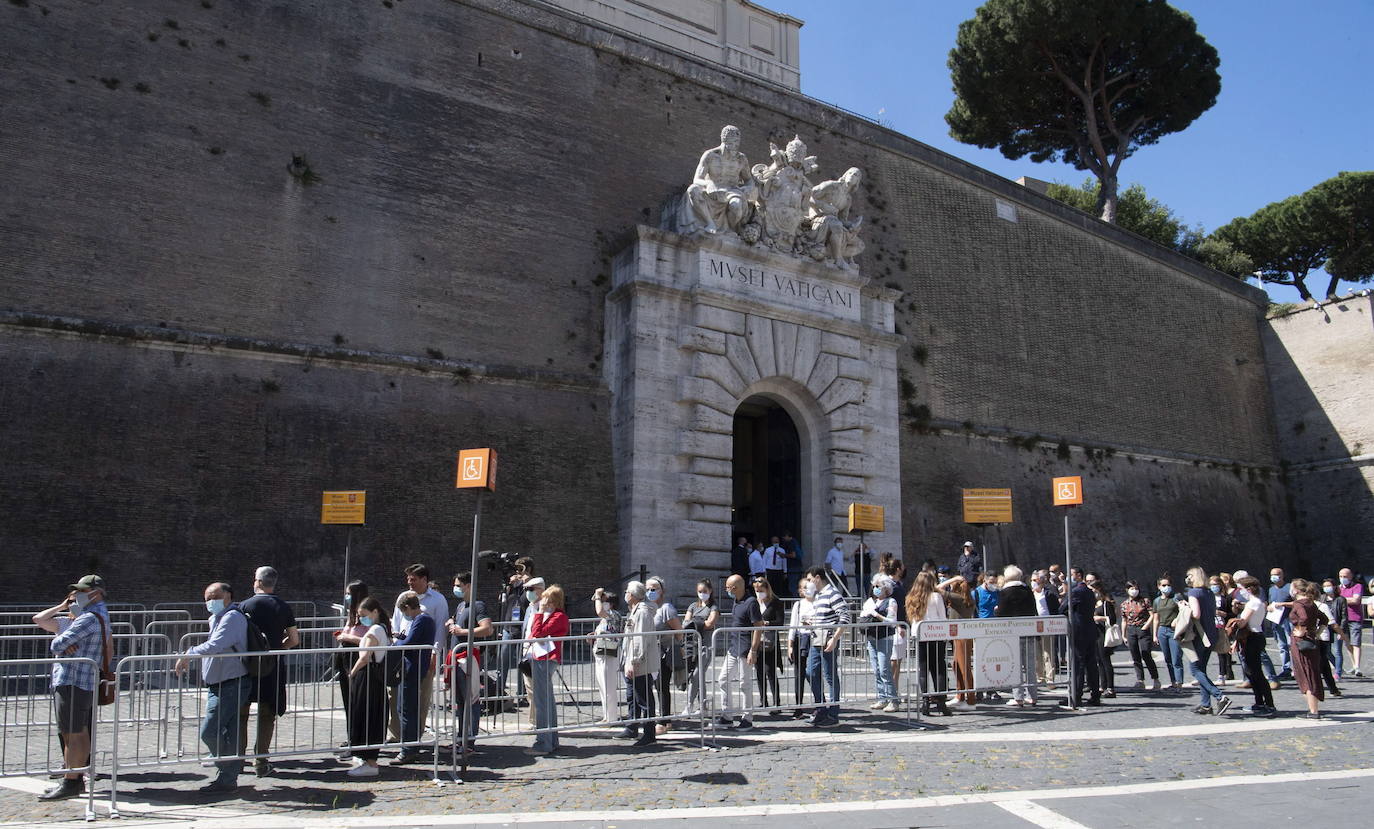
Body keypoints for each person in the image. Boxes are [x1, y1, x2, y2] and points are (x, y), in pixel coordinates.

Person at [33, 575, 110, 801]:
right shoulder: (96, 615)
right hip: (81, 680)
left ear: (96, 593)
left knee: (73, 733)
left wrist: (64, 640)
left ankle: (71, 781)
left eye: (82, 591)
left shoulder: (88, 618)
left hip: (74, 679)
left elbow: (57, 644)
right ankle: (74, 777)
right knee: (77, 732)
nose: (77, 596)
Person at [175, 582, 251, 793]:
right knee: (231, 732)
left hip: (231, 682)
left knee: (209, 731)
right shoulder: (216, 618)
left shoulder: (232, 617)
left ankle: (228, 769)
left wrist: (189, 653)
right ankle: (228, 778)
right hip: (221, 682)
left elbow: (216, 645)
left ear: (227, 596)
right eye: (207, 598)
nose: (210, 602)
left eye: (214, 597)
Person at [238, 566, 299, 778]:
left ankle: (238, 759)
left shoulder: (244, 605)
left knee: (241, 713)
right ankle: (261, 761)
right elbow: (294, 639)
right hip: (272, 666)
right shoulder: (282, 606)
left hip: (246, 665)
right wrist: (277, 649)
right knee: (267, 714)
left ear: (259, 582)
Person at [389, 564, 449, 742]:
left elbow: (441, 628)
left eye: (413, 579)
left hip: (423, 656)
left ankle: (414, 735)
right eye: (408, 579)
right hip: (401, 654)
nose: (410, 583)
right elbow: (396, 623)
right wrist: (395, 643)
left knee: (421, 697)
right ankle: (397, 733)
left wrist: (434, 653)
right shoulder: (403, 597)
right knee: (395, 695)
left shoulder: (438, 600)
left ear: (424, 580)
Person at [344, 597, 391, 778]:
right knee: (367, 715)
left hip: (368, 676)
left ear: (375, 612)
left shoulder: (375, 630)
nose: (361, 618)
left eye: (364, 615)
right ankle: (365, 757)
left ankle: (370, 760)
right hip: (372, 677)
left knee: (367, 715)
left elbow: (365, 657)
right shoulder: (381, 629)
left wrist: (352, 673)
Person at [445, 571, 492, 751]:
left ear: (469, 586)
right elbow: (457, 622)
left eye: (459, 585)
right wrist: (451, 623)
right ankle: (460, 737)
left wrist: (462, 632)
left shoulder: (478, 606)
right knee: (460, 700)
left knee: (470, 699)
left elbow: (487, 629)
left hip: (467, 657)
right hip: (456, 657)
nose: (456, 588)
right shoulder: (460, 606)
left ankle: (469, 739)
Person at [680, 124, 756, 236]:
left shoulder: (741, 159)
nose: (735, 146)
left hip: (732, 191)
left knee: (736, 205)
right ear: (724, 141)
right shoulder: (710, 156)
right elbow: (697, 179)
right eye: (732, 143)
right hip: (712, 191)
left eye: (737, 143)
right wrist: (708, 183)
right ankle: (710, 223)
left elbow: (749, 180)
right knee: (693, 190)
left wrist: (748, 188)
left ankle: (730, 230)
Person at [391, 591, 436, 764]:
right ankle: (411, 746)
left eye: (404, 612)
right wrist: (402, 638)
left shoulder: (421, 619)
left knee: (406, 709)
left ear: (409, 608)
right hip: (415, 667)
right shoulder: (424, 620)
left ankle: (408, 749)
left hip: (413, 668)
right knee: (407, 709)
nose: (405, 615)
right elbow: (411, 639)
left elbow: (409, 643)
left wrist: (397, 642)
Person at [1181, 567, 1233, 717]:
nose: (1187, 578)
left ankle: (1220, 696)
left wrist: (1185, 607)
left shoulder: (1193, 593)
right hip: (1211, 634)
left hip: (1198, 635)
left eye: (1189, 575)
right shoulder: (1209, 592)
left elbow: (1196, 614)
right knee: (1202, 669)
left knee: (1195, 670)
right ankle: (1205, 705)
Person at [526, 584, 569, 755]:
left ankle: (544, 742)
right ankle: (551, 740)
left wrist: (539, 613)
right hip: (542, 657)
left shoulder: (558, 616)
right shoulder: (554, 615)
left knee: (542, 702)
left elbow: (537, 632)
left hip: (546, 659)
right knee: (547, 701)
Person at [805, 566, 850, 726]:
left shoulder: (833, 593)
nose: (808, 583)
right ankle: (821, 707)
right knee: (810, 672)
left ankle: (833, 713)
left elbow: (845, 616)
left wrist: (835, 639)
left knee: (830, 676)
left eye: (810, 579)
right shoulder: (818, 596)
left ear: (818, 578)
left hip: (827, 640)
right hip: (816, 639)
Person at [716, 574, 761, 730]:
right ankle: (727, 715)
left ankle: (747, 718)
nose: (726, 590)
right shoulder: (736, 601)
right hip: (733, 648)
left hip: (745, 649)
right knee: (723, 679)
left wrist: (753, 650)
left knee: (745, 684)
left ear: (735, 587)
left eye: (728, 587)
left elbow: (758, 627)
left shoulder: (751, 602)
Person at [619, 581, 660, 747]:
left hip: (640, 663)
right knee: (633, 696)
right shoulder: (635, 611)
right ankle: (632, 727)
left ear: (633, 595)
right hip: (632, 661)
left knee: (644, 698)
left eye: (627, 591)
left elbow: (639, 640)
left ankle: (649, 733)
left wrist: (634, 662)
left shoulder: (642, 613)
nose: (625, 594)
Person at [907, 571, 950, 716]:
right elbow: (942, 617)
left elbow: (912, 619)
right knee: (939, 668)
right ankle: (941, 701)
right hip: (936, 634)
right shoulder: (936, 596)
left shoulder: (912, 597)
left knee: (923, 669)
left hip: (920, 635)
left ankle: (925, 700)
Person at [1230, 576, 1275, 716]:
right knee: (1251, 672)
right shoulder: (1256, 603)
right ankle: (1259, 702)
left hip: (1253, 638)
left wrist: (1233, 621)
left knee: (1256, 673)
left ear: (1248, 589)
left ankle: (1268, 704)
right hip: (1253, 636)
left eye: (1242, 589)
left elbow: (1243, 623)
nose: (1240, 592)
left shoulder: (1252, 603)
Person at [996, 565, 1038, 707]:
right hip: (1029, 631)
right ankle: (1032, 696)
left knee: (1015, 666)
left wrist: (997, 611)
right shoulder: (1028, 590)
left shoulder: (1005, 592)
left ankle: (1018, 697)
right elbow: (1033, 609)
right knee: (1030, 665)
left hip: (1012, 633)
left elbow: (1001, 613)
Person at [646, 576, 683, 734]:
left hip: (664, 652)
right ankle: (662, 718)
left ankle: (664, 719)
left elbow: (679, 631)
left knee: (662, 686)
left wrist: (679, 648)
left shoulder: (666, 608)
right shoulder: (647, 608)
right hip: (651, 652)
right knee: (655, 686)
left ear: (662, 591)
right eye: (647, 589)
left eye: (654, 589)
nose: (650, 592)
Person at [1286, 579, 1327, 719]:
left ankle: (1314, 711)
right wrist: (1316, 633)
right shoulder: (1311, 603)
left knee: (1305, 673)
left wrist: (1301, 630)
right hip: (1311, 640)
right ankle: (1313, 709)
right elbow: (1324, 619)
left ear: (1296, 590)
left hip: (1301, 642)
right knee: (1311, 672)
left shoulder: (1299, 604)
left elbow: (1303, 617)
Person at [859, 573, 899, 712]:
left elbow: (892, 622)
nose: (875, 588)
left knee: (884, 669)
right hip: (871, 638)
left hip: (884, 638)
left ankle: (893, 700)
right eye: (874, 586)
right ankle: (882, 698)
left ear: (886, 589)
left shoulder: (891, 602)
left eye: (879, 586)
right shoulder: (871, 601)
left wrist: (877, 615)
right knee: (876, 670)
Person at [1062, 571, 1100, 710]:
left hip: (1079, 631)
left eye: (1070, 574)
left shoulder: (1077, 591)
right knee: (1091, 664)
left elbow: (1063, 608)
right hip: (1090, 630)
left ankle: (1076, 696)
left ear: (1078, 576)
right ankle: (1095, 695)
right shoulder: (1089, 591)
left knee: (1078, 664)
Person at [681, 580, 718, 717]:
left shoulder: (713, 607)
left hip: (706, 645)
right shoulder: (693, 605)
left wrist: (694, 623)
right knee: (697, 676)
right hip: (692, 645)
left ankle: (689, 704)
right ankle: (703, 705)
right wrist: (697, 623)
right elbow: (685, 622)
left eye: (705, 591)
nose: (702, 594)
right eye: (700, 591)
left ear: (710, 591)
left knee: (697, 674)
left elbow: (710, 623)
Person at [333, 581, 370, 713]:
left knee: (357, 700)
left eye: (348, 594)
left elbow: (370, 641)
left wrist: (347, 637)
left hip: (358, 660)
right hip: (345, 659)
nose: (346, 597)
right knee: (348, 700)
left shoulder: (367, 615)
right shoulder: (352, 613)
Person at [941, 574, 976, 709]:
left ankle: (971, 700)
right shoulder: (966, 598)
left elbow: (936, 588)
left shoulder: (957, 598)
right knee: (957, 665)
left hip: (962, 636)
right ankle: (960, 696)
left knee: (964, 667)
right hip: (961, 635)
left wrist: (952, 579)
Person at [590, 586, 624, 724]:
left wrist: (598, 596)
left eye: (604, 601)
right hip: (601, 652)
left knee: (608, 686)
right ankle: (606, 716)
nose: (601, 602)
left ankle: (611, 717)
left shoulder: (614, 614)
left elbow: (599, 611)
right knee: (602, 685)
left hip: (609, 653)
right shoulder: (606, 618)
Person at [751, 576, 784, 714]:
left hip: (770, 642)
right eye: (756, 590)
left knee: (770, 671)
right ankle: (763, 700)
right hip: (757, 641)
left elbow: (780, 621)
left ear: (767, 589)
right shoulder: (754, 603)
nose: (759, 593)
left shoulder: (775, 602)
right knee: (759, 672)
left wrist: (767, 623)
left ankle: (777, 703)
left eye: (761, 590)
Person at [1119, 580, 1159, 691]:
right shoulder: (1124, 604)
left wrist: (1146, 626)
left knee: (1146, 654)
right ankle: (1140, 680)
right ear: (1127, 590)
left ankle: (1155, 678)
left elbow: (1152, 615)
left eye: (1136, 588)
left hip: (1142, 628)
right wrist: (1123, 635)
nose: (1134, 591)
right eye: (1131, 588)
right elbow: (1124, 620)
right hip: (1131, 630)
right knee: (1135, 656)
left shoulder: (1144, 601)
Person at [785, 578, 814, 719]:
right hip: (800, 639)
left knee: (812, 672)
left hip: (814, 638)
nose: (806, 589)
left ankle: (819, 702)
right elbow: (793, 625)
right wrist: (789, 645)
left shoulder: (818, 603)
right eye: (804, 587)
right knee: (799, 674)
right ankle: (798, 706)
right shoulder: (798, 604)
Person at [1150, 576, 1184, 692]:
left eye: (1168, 585)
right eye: (1163, 585)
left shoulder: (1176, 597)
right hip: (1162, 630)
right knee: (1168, 659)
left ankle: (1179, 683)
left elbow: (1184, 612)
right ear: (1159, 587)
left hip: (1174, 630)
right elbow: (1156, 618)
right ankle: (1173, 682)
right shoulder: (1157, 601)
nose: (1166, 587)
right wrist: (1154, 634)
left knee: (1176, 658)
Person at [1031, 571, 1062, 687]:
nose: (1033, 583)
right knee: (1036, 653)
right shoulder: (1030, 595)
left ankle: (1050, 679)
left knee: (1048, 653)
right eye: (1032, 580)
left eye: (1035, 580)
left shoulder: (1048, 594)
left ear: (1041, 581)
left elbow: (1055, 608)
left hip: (1047, 625)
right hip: (1034, 625)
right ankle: (1039, 677)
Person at [1091, 580, 1117, 699]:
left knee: (1106, 661)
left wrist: (1099, 618)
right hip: (1096, 633)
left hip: (1104, 634)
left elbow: (1112, 619)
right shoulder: (1094, 603)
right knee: (1099, 661)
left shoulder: (1106, 604)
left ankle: (1111, 688)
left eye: (1093, 590)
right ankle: (1103, 685)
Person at [1336, 567, 1364, 679]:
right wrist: (1347, 599)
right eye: (1341, 576)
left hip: (1354, 618)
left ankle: (1357, 666)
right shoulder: (1338, 588)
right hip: (1342, 619)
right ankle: (1353, 664)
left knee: (1356, 642)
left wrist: (1341, 599)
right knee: (1347, 643)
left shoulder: (1357, 586)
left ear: (1351, 576)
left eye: (1345, 576)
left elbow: (1356, 600)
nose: (1343, 579)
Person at [1267, 567, 1293, 679]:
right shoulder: (1271, 589)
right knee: (1282, 646)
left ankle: (1296, 669)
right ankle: (1286, 669)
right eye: (1272, 574)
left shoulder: (1289, 587)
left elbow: (1296, 602)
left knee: (1291, 645)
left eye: (1277, 574)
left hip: (1288, 620)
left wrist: (1283, 604)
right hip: (1276, 621)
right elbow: (1270, 602)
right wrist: (1269, 607)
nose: (1274, 577)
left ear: (1282, 575)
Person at [780, 531, 803, 596]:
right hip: (797, 566)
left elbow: (793, 555)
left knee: (792, 586)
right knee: (796, 585)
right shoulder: (795, 542)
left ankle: (795, 601)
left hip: (793, 567)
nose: (783, 539)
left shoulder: (791, 543)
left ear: (787, 536)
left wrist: (784, 555)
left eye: (784, 537)